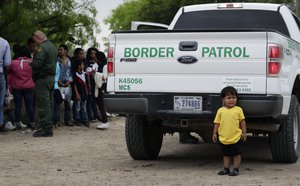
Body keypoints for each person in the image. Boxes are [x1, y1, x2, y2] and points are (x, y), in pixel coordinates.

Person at [212, 86, 247, 176]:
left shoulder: (238, 110)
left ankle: (236, 169)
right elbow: (217, 123)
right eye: (228, 98)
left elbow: (242, 122)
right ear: (223, 99)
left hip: (236, 137)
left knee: (236, 154)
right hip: (224, 138)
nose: (232, 100)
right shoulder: (220, 111)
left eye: (234, 97)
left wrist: (244, 132)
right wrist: (214, 133)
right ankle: (226, 169)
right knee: (226, 154)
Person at [30, 30, 57, 137]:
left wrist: (30, 62)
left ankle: (46, 129)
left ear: (37, 37)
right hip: (51, 79)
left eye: (34, 40)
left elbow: (38, 63)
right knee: (49, 103)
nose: (35, 43)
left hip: (42, 79)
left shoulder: (42, 47)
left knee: (43, 104)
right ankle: (49, 126)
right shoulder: (52, 46)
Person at [7, 46, 36, 130]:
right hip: (29, 86)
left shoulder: (13, 63)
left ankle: (17, 123)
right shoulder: (31, 62)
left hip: (17, 87)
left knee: (18, 106)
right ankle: (33, 122)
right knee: (29, 105)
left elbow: (8, 71)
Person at [57, 44, 73, 126]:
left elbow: (72, 72)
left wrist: (69, 81)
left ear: (66, 51)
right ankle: (58, 120)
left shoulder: (70, 60)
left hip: (67, 84)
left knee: (68, 103)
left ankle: (68, 120)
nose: (59, 51)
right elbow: (54, 71)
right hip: (58, 84)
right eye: (59, 50)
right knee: (58, 103)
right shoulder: (56, 60)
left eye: (61, 49)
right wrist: (58, 80)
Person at [94, 51, 109, 129]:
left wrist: (96, 74)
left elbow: (105, 77)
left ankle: (105, 122)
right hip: (98, 87)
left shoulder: (105, 66)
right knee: (99, 104)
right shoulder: (98, 65)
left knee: (101, 104)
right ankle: (104, 120)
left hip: (102, 86)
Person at [85, 47, 101, 122]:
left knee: (95, 99)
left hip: (97, 82)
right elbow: (87, 74)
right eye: (91, 53)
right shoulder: (88, 63)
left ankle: (96, 115)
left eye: (95, 53)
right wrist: (88, 84)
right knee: (90, 99)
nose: (93, 55)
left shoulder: (99, 62)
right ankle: (90, 116)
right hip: (90, 82)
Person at [0, 37, 11, 132]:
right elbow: (7, 63)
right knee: (0, 101)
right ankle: (0, 122)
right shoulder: (4, 42)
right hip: (0, 74)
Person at [73, 60, 89, 127]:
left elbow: (85, 83)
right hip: (79, 92)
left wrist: (87, 91)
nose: (83, 66)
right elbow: (74, 85)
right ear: (79, 66)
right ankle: (77, 120)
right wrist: (76, 94)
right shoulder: (75, 74)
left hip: (83, 92)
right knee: (77, 107)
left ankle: (85, 120)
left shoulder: (84, 74)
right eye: (82, 65)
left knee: (84, 107)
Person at [53, 59, 62, 128]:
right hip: (55, 87)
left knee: (54, 105)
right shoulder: (57, 64)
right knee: (56, 106)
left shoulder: (55, 65)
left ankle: (56, 121)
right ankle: (57, 121)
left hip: (53, 87)